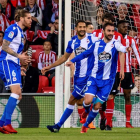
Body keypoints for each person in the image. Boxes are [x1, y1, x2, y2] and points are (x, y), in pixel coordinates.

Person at [66, 22, 128, 133]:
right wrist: (72, 61)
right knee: (88, 101)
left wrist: (123, 62)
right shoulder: (96, 44)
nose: (111, 33)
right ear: (103, 31)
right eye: (108, 31)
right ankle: (85, 112)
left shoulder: (115, 43)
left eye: (112, 31)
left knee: (97, 106)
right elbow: (84, 54)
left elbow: (122, 50)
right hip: (94, 78)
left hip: (108, 81)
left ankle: (85, 126)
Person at [42, 20, 98, 132]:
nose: (82, 29)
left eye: (84, 27)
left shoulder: (92, 39)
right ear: (76, 28)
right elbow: (64, 58)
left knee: (72, 99)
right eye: (80, 27)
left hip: (88, 76)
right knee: (77, 101)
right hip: (78, 76)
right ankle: (88, 117)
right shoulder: (72, 42)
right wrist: (50, 66)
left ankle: (58, 126)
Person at [104, 20, 140, 130]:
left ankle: (128, 122)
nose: (126, 29)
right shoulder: (113, 39)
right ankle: (108, 122)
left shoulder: (131, 40)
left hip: (128, 72)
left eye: (127, 27)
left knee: (127, 96)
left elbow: (137, 53)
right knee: (111, 96)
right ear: (118, 28)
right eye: (124, 27)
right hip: (115, 71)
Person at [0, 9, 32, 134]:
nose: (30, 20)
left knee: (18, 95)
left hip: (14, 64)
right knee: (16, 92)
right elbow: (4, 46)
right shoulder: (13, 29)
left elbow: (15, 51)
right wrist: (19, 57)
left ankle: (2, 124)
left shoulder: (21, 33)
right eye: (28, 18)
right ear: (21, 18)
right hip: (7, 62)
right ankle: (7, 123)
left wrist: (21, 65)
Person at [92, 12, 124, 130]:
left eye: (109, 22)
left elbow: (121, 52)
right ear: (102, 21)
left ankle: (109, 123)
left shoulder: (117, 36)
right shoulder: (95, 34)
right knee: (99, 97)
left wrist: (121, 69)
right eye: (105, 21)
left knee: (111, 96)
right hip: (98, 72)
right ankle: (103, 116)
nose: (107, 24)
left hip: (112, 71)